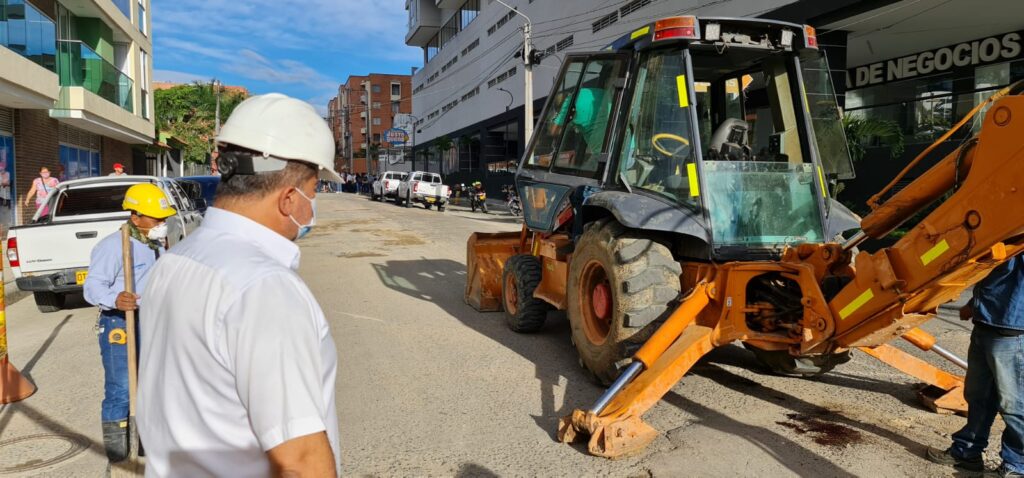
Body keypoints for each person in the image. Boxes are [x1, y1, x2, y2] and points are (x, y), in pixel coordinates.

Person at [137, 93, 342, 477]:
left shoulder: (176, 261)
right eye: (313, 193)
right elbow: (299, 462)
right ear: (288, 198)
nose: (312, 206)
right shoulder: (264, 288)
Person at [82, 183, 177, 467]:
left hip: (150, 320)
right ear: (135, 217)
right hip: (119, 323)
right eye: (156, 218)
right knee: (121, 388)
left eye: (163, 219)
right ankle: (119, 457)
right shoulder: (114, 246)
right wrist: (116, 298)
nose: (162, 224)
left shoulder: (156, 243)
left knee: (151, 385)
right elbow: (92, 287)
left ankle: (147, 449)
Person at [927, 255, 1024, 477]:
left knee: (1015, 406)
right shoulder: (1006, 232)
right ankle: (967, 452)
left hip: (1013, 332)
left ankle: (1018, 466)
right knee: (978, 396)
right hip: (985, 324)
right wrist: (973, 304)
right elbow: (994, 273)